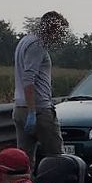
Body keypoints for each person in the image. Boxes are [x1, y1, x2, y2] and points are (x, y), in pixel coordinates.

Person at [13, 12, 66, 163]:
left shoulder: (25, 41)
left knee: (24, 161)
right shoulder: (38, 44)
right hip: (39, 110)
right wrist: (32, 111)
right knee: (57, 159)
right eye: (58, 30)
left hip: (20, 108)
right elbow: (28, 79)